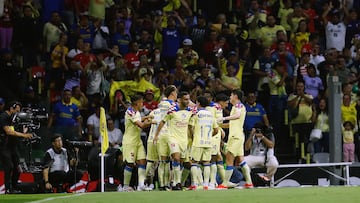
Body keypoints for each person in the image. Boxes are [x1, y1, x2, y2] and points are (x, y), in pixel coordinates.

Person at [154, 91, 193, 190]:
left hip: (183, 140)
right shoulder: (172, 110)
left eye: (188, 99)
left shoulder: (190, 111)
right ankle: (177, 183)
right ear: (179, 100)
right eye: (185, 99)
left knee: (183, 162)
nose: (188, 101)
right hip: (172, 138)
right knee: (176, 158)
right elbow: (163, 122)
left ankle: (176, 182)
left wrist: (192, 137)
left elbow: (190, 125)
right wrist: (156, 136)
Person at [217, 89, 253, 189]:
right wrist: (219, 124)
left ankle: (225, 183)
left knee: (229, 159)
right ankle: (249, 183)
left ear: (236, 96)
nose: (230, 97)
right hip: (239, 136)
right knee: (241, 160)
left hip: (235, 137)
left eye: (231, 95)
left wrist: (224, 118)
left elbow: (236, 116)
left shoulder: (238, 105)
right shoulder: (237, 107)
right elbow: (231, 124)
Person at [120, 94, 152, 191]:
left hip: (137, 141)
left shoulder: (137, 112)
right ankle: (125, 186)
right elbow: (141, 125)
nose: (143, 104)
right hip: (129, 142)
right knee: (130, 164)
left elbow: (139, 119)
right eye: (142, 102)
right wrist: (151, 122)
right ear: (137, 103)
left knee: (142, 161)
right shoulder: (130, 111)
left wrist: (147, 116)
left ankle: (141, 185)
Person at [0, 101, 32, 194]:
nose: (18, 113)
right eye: (16, 111)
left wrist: (24, 131)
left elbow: (18, 131)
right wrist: (24, 135)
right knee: (9, 166)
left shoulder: (15, 119)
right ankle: (7, 189)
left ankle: (14, 187)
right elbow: (9, 132)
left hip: (12, 146)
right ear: (11, 109)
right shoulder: (3, 117)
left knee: (18, 167)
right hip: (3, 146)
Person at [189, 96, 218, 190]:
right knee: (206, 163)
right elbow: (216, 130)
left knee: (194, 162)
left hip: (198, 141)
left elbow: (191, 127)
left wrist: (193, 136)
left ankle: (195, 184)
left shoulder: (196, 114)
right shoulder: (211, 115)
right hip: (208, 142)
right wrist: (209, 136)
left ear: (198, 103)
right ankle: (206, 184)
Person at [152, 85, 178, 190]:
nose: (177, 95)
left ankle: (162, 185)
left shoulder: (161, 104)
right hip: (170, 134)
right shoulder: (174, 105)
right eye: (176, 92)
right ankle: (168, 183)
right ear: (172, 93)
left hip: (160, 133)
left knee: (163, 161)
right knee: (172, 160)